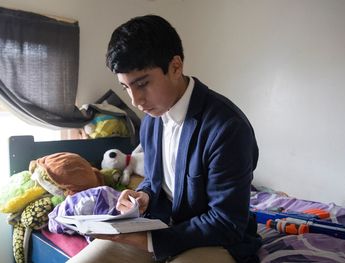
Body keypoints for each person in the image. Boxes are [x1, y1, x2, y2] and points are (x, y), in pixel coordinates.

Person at [68, 14, 261, 263]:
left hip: (216, 239)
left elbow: (226, 221)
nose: (135, 101)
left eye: (143, 84)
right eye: (126, 87)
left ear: (176, 67)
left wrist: (151, 241)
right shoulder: (152, 119)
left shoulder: (227, 127)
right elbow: (156, 179)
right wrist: (144, 195)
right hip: (160, 226)